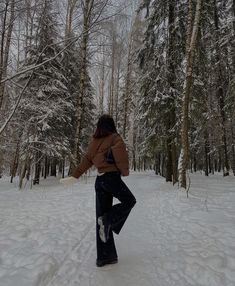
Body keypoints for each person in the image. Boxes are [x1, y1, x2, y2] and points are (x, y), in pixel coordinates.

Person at [60, 114, 136, 267]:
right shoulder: (115, 138)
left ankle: (104, 257)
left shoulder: (94, 141)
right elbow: (121, 156)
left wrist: (75, 176)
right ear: (111, 125)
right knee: (129, 201)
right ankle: (108, 220)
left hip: (99, 181)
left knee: (101, 219)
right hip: (111, 179)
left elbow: (87, 160)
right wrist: (124, 171)